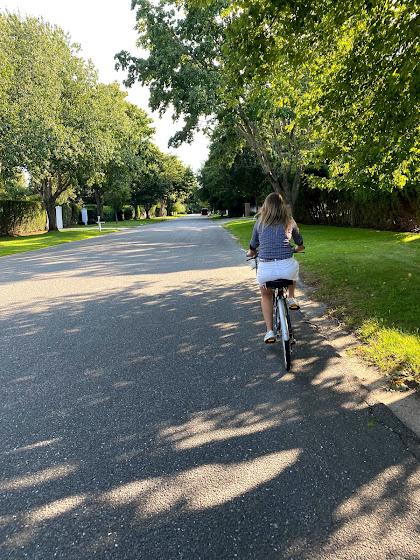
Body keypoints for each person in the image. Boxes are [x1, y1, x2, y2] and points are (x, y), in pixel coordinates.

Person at [246, 193, 305, 343]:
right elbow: (299, 242)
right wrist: (298, 248)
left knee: (266, 295)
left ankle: (269, 331)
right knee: (292, 268)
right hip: (287, 268)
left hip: (266, 270)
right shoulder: (289, 220)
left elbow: (253, 244)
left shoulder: (260, 222)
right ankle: (291, 298)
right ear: (282, 206)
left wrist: (251, 252)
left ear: (265, 206)